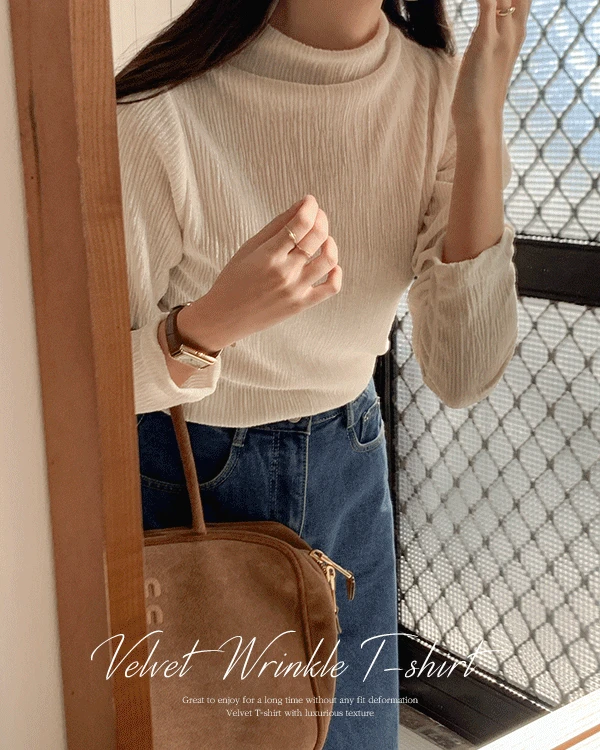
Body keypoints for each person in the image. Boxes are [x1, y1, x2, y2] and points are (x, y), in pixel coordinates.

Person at [115, 0, 528, 747]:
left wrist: (481, 127)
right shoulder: (161, 111)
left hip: (351, 466)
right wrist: (209, 325)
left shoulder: (441, 89)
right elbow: (85, 387)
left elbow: (462, 373)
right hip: (193, 471)